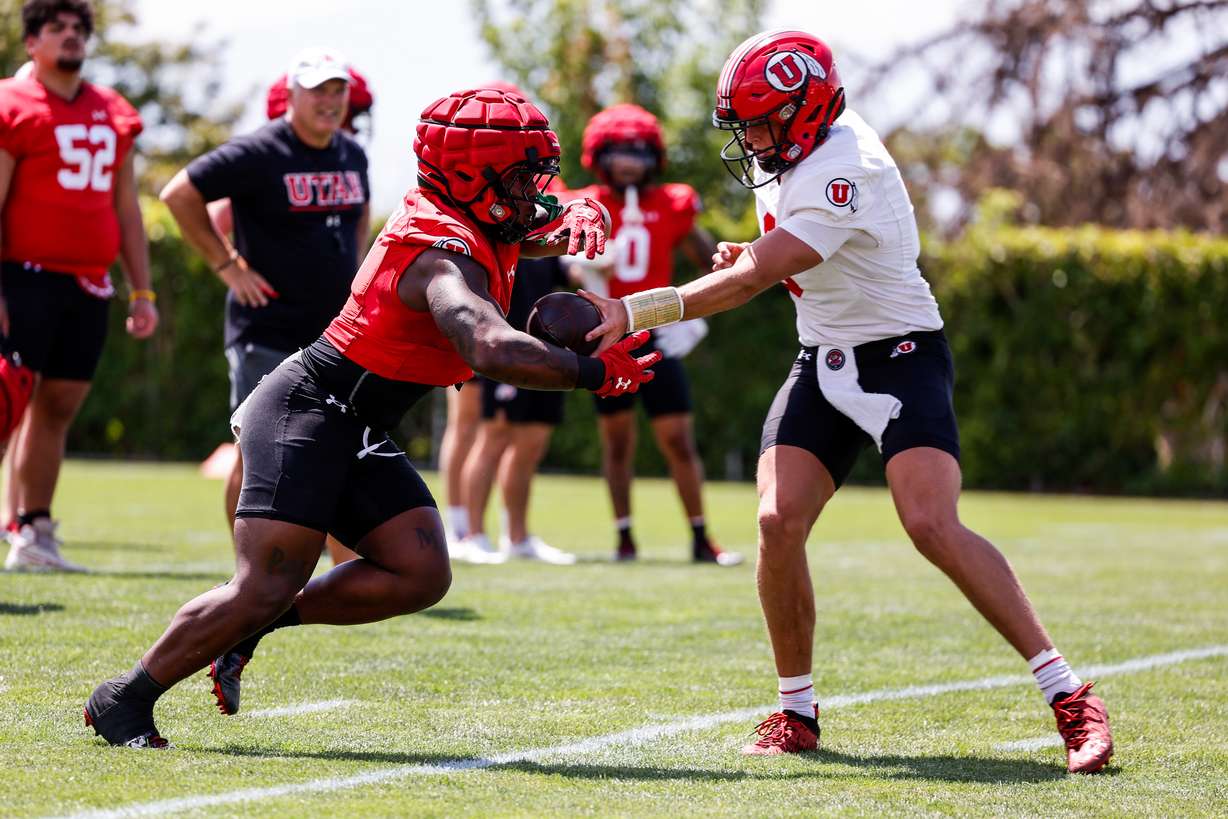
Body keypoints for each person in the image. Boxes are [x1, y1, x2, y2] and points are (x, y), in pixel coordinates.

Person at [581, 30, 1113, 773]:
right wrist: (753, 250)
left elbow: (751, 282)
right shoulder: (796, 152)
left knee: (930, 523)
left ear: (805, 112)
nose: (751, 139)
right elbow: (777, 253)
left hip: (900, 358)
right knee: (775, 519)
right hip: (824, 359)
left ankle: (1070, 695)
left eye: (761, 122)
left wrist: (629, 310)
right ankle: (796, 711)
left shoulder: (846, 167)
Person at [83, 87, 658, 747]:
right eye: (522, 175)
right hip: (308, 410)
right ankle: (123, 700)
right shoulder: (435, 251)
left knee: (420, 571)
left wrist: (577, 208)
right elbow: (487, 344)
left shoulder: (467, 209)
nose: (535, 189)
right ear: (475, 176)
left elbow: (520, 231)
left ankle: (260, 624)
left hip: (353, 422)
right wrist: (593, 372)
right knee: (261, 584)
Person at [159, 49, 370, 566]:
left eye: (337, 91)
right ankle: (248, 569)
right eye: (317, 90)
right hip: (266, 328)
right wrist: (227, 264)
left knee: (336, 445)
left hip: (333, 333)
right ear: (292, 96)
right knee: (256, 449)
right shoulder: (261, 150)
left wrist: (357, 273)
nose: (329, 101)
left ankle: (343, 565)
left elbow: (359, 214)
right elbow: (178, 193)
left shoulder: (352, 154)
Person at [0, 0, 158, 573]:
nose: (71, 37)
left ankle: (33, 528)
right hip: (24, 277)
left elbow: (125, 208)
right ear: (31, 44)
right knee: (4, 404)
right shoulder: (12, 103)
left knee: (58, 407)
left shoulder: (112, 110)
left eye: (78, 29)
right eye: (56, 29)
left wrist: (141, 291)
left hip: (88, 285)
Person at [570, 104, 740, 566]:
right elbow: (561, 265)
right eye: (620, 151)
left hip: (660, 336)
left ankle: (702, 537)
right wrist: (582, 265)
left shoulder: (673, 202)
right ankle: (624, 537)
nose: (628, 161)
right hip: (606, 339)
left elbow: (715, 264)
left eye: (637, 151)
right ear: (600, 155)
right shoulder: (585, 201)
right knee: (617, 442)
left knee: (679, 442)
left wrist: (693, 313)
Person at [454, 255, 577, 565]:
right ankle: (473, 536)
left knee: (531, 444)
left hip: (548, 350)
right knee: (493, 438)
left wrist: (593, 266)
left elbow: (565, 272)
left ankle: (518, 538)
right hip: (504, 350)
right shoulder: (496, 229)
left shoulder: (543, 229)